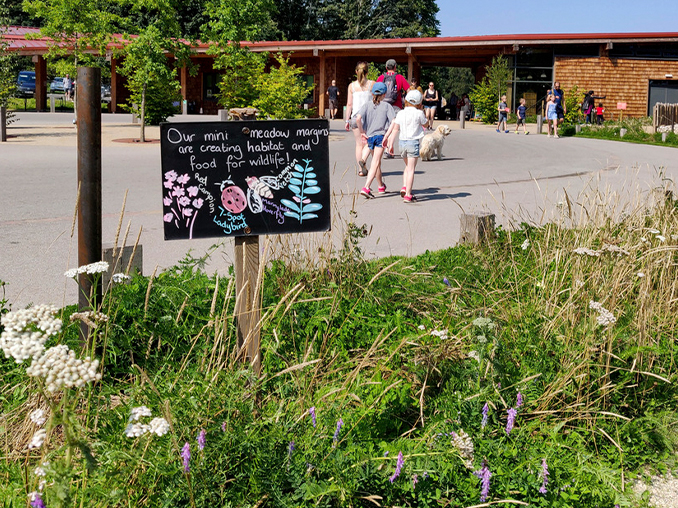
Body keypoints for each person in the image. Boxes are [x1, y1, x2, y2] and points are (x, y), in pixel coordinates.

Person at [383, 89, 427, 203]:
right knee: (411, 169)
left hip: (402, 143)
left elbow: (395, 129)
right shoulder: (419, 113)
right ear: (419, 102)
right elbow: (425, 123)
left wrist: (390, 144)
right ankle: (408, 194)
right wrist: (423, 112)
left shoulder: (401, 113)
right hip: (413, 142)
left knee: (407, 167)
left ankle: (404, 185)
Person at [356, 82, 395, 199]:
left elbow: (358, 119)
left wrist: (362, 132)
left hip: (370, 136)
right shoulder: (387, 106)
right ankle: (366, 187)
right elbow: (393, 121)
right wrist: (387, 136)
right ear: (384, 94)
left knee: (377, 163)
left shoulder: (367, 105)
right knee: (375, 163)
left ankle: (380, 186)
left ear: (372, 93)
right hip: (380, 136)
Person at [345, 62, 375, 176]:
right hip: (369, 118)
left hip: (355, 117)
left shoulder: (351, 86)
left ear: (356, 72)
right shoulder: (372, 84)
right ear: (367, 72)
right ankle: (365, 161)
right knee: (369, 142)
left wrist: (347, 120)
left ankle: (360, 169)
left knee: (358, 144)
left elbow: (349, 104)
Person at [377, 59, 409, 157]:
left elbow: (376, 92)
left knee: (386, 128)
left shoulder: (381, 78)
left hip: (383, 105)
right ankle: (389, 148)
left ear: (386, 68)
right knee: (395, 128)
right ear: (395, 67)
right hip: (396, 105)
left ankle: (387, 149)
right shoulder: (400, 77)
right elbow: (409, 90)